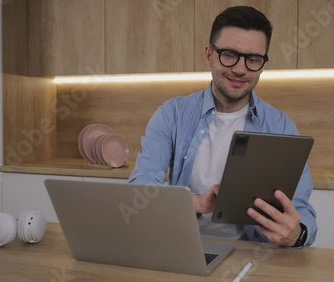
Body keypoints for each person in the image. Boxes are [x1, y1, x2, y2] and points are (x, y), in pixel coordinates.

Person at [129, 6, 317, 247]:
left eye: (253, 59)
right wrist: (194, 203)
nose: (240, 69)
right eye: (229, 54)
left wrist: (298, 234)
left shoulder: (281, 126)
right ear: (209, 55)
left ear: (263, 63)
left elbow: (301, 209)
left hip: (254, 256)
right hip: (181, 247)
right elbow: (141, 190)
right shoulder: (171, 114)